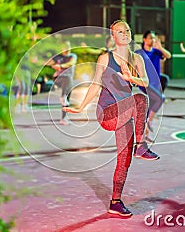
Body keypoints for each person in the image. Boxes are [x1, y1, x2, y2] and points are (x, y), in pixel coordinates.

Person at [63, 20, 159, 217]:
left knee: (124, 161)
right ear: (113, 36)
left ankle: (115, 202)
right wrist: (80, 106)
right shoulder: (105, 58)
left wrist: (130, 78)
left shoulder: (137, 59)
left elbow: (146, 82)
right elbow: (96, 85)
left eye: (127, 30)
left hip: (126, 111)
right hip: (107, 112)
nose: (124, 34)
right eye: (120, 31)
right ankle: (140, 146)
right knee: (140, 98)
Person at [135, 30, 171, 142]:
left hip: (156, 83)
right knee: (160, 99)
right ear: (144, 39)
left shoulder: (156, 52)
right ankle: (148, 122)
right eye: (150, 37)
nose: (153, 40)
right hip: (146, 83)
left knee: (164, 79)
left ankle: (144, 134)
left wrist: (160, 47)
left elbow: (168, 55)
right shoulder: (139, 53)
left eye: (154, 38)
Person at [47, 41, 77, 125]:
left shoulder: (72, 56)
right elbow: (47, 63)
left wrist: (60, 66)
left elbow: (71, 63)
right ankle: (63, 96)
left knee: (67, 99)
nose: (66, 49)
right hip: (59, 78)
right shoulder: (58, 57)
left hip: (68, 81)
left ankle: (63, 119)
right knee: (66, 79)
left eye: (67, 47)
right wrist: (53, 65)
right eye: (64, 47)